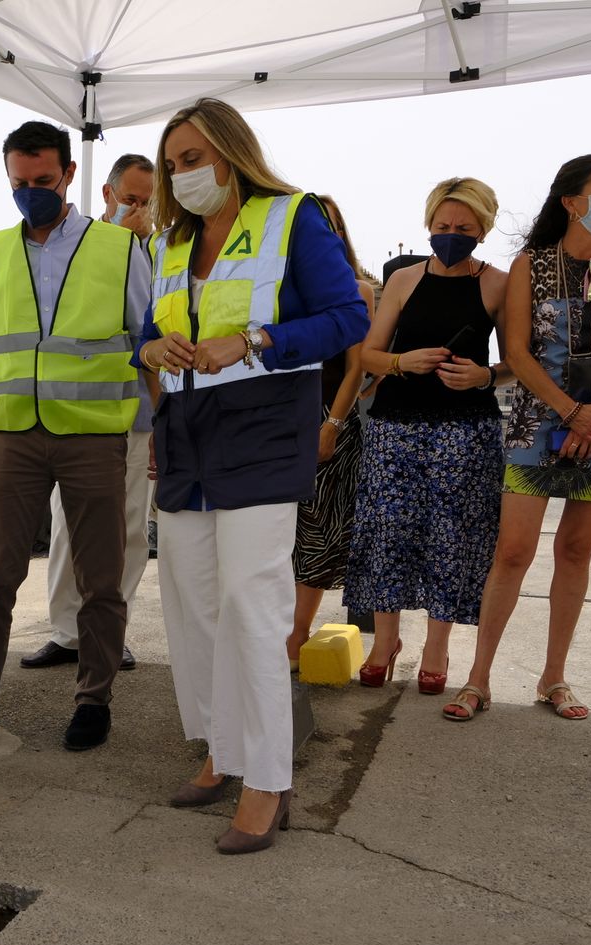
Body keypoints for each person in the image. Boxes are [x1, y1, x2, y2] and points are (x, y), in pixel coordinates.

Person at [137, 98, 367, 854]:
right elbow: (150, 331)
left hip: (264, 427)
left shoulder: (294, 216)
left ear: (232, 153)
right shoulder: (170, 240)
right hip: (185, 435)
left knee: (252, 604)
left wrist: (255, 339)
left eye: (193, 158)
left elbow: (347, 318)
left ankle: (267, 779)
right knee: (193, 607)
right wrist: (150, 352)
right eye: (173, 163)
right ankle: (221, 751)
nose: (182, 174)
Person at [0, 122, 150, 754]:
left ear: (68, 175)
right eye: (18, 183)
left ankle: (94, 700)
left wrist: (156, 436)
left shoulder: (119, 248)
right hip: (12, 438)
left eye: (42, 181)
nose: (30, 192)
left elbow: (147, 348)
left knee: (101, 578)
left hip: (93, 438)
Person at [445, 155, 591, 722]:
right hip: (539, 423)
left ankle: (553, 677)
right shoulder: (531, 264)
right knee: (513, 552)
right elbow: (516, 354)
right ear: (571, 201)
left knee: (576, 551)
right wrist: (569, 412)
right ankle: (478, 678)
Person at [342, 178, 511, 698]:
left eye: (463, 227)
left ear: (483, 228)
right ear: (428, 224)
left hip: (466, 430)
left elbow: (520, 361)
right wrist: (401, 361)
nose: (451, 234)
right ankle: (385, 643)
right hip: (396, 424)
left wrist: (485, 376)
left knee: (451, 538)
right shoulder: (402, 279)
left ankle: (437, 649)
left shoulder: (499, 284)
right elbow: (366, 355)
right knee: (387, 532)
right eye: (442, 226)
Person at [23, 152, 157, 674]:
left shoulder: (163, 247)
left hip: (134, 414)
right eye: (131, 200)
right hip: (77, 414)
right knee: (65, 524)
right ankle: (65, 630)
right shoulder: (80, 246)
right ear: (107, 194)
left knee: (125, 527)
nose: (140, 209)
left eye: (148, 202)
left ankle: (108, 630)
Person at [285, 194, 375, 664]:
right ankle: (275, 628)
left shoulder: (358, 291)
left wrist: (333, 425)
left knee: (320, 533)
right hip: (277, 421)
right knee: (278, 531)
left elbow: (357, 368)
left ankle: (296, 635)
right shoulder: (278, 287)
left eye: (331, 225)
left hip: (329, 422)